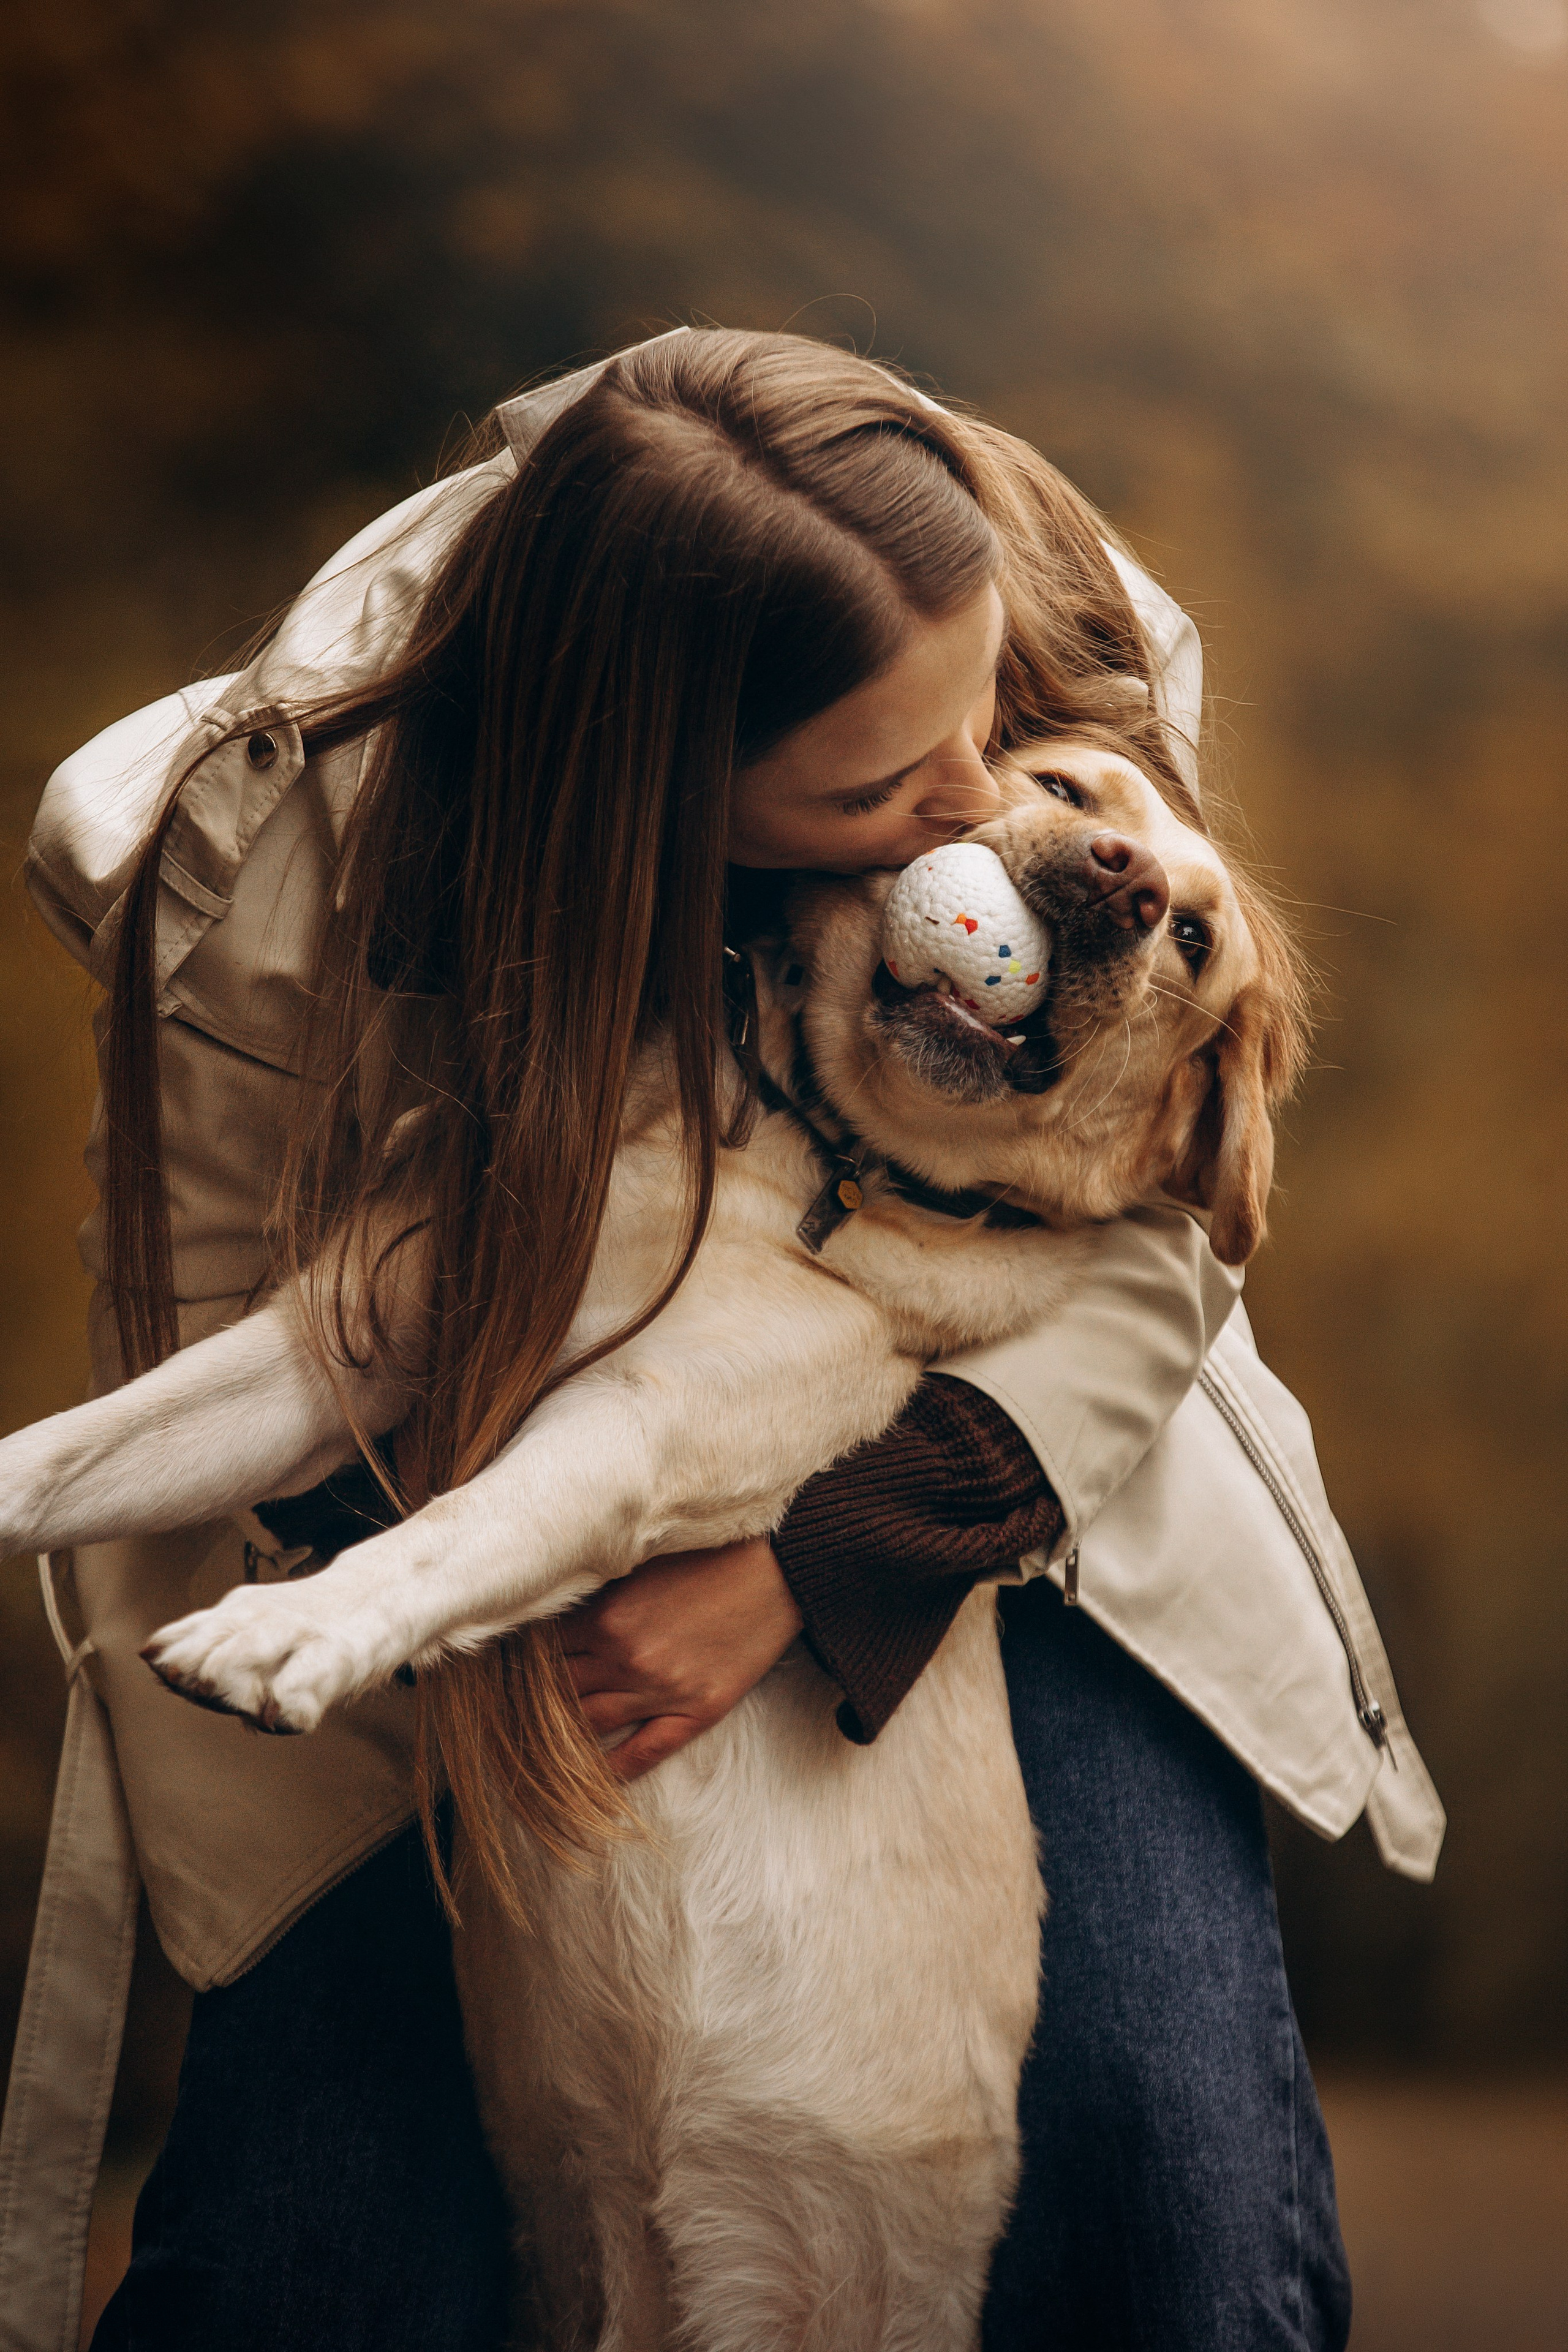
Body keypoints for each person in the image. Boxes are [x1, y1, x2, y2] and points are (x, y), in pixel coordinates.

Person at [1, 328, 1442, 2352]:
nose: (980, 818)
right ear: (672, 794)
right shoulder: (267, 872)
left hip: (1028, 1486)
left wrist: (819, 1557)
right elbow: (237, 1321)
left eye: (992, 736)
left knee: (1177, 2199)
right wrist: (491, 1538)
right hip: (406, 1556)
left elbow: (1163, 1242)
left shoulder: (1046, 640)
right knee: (305, 2260)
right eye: (880, 786)